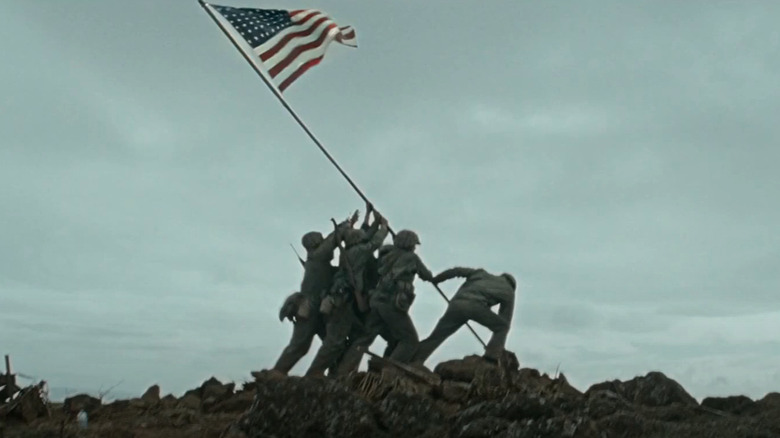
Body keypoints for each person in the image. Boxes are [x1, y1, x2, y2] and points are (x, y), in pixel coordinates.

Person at [255, 211, 358, 378]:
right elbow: (333, 240)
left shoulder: (319, 262)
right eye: (321, 239)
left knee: (333, 344)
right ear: (315, 243)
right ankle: (279, 371)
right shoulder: (317, 258)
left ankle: (328, 372)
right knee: (301, 344)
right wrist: (346, 226)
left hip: (320, 308)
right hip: (310, 307)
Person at [335, 229, 434, 374]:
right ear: (410, 244)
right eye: (414, 244)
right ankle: (389, 371)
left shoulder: (387, 254)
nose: (414, 247)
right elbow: (427, 275)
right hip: (392, 304)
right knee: (409, 340)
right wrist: (436, 278)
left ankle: (343, 372)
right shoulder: (411, 258)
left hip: (376, 301)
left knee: (365, 339)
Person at [305, 208, 389, 377]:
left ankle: (341, 373)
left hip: (345, 301)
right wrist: (384, 227)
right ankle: (314, 373)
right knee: (334, 342)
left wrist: (372, 220)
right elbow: (374, 242)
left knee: (359, 335)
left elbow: (366, 237)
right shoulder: (358, 251)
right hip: (341, 300)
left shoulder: (351, 251)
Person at [412, 267, 516, 366]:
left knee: (437, 336)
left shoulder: (481, 273)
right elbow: (505, 318)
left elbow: (456, 271)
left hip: (456, 304)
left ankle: (414, 360)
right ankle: (491, 357)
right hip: (475, 307)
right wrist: (497, 346)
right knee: (502, 327)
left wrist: (437, 279)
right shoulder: (509, 291)